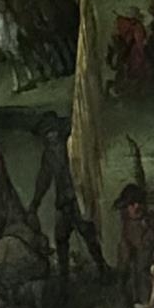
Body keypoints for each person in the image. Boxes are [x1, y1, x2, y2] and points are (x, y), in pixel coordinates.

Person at [30, 113, 111, 290]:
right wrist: (35, 202)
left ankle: (103, 270)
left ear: (58, 131)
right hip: (63, 203)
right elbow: (44, 178)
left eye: (52, 131)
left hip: (77, 200)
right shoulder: (49, 154)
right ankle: (64, 278)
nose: (50, 136)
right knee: (61, 240)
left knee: (88, 236)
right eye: (46, 133)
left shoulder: (72, 146)